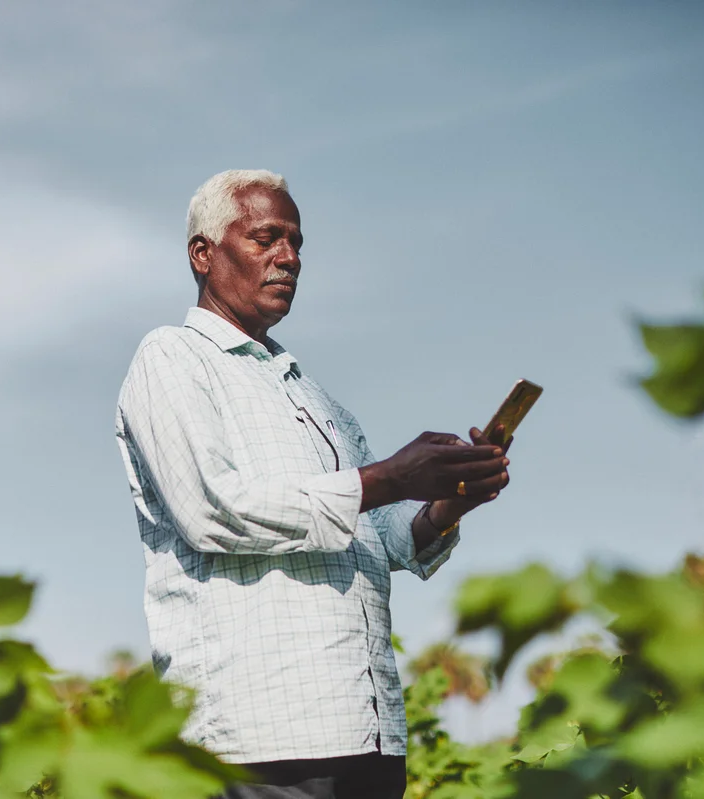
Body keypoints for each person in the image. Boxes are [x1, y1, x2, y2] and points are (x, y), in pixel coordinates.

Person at [114, 170, 512, 799]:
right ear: (203, 254)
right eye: (266, 238)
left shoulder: (314, 397)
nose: (289, 258)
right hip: (258, 738)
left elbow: (381, 540)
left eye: (297, 243)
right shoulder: (172, 358)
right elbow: (214, 512)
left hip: (366, 728)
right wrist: (387, 477)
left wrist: (446, 501)